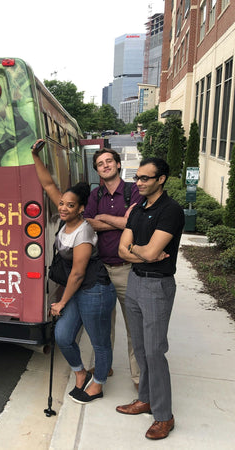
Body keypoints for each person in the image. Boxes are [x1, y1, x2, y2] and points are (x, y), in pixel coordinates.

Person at [31, 139, 116, 404]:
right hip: (78, 291)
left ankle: (98, 384)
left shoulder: (84, 230)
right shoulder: (67, 216)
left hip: (94, 291)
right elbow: (48, 185)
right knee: (63, 336)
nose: (63, 207)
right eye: (62, 204)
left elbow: (78, 273)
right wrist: (35, 156)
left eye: (70, 205)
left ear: (81, 208)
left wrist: (61, 302)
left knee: (100, 342)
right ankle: (80, 373)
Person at [116, 157, 184, 440]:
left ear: (161, 179)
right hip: (135, 281)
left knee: (155, 351)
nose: (139, 182)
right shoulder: (138, 209)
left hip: (157, 286)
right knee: (141, 348)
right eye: (137, 177)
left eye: (145, 178)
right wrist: (141, 250)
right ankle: (144, 398)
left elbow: (154, 252)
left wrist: (143, 250)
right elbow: (123, 250)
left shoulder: (171, 211)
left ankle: (164, 416)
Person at [83, 148, 143, 390]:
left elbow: (135, 222)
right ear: (96, 169)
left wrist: (104, 217)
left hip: (128, 269)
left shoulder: (133, 191)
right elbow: (88, 223)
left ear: (118, 165)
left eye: (109, 161)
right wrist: (119, 221)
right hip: (101, 270)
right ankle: (103, 366)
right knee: (101, 325)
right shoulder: (95, 194)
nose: (105, 165)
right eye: (100, 163)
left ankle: (140, 379)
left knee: (135, 327)